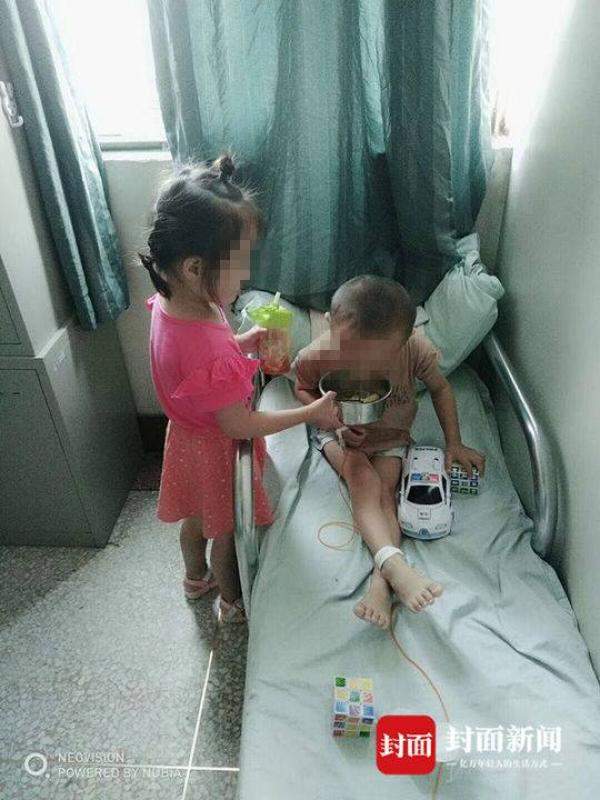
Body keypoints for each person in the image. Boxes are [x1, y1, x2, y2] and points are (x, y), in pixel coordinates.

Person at [142, 153, 340, 622]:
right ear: (194, 268)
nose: (245, 276)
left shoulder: (174, 305)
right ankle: (232, 604)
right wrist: (309, 413)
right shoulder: (204, 324)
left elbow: (193, 365)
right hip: (215, 448)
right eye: (239, 265)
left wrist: (242, 343)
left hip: (184, 437)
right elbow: (240, 424)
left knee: (195, 520)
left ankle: (194, 580)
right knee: (226, 530)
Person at [293, 275, 486, 628]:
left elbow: (441, 389)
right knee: (362, 481)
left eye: (376, 359)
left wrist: (454, 443)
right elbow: (302, 389)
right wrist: (329, 418)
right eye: (350, 352)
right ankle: (395, 568)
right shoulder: (319, 353)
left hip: (390, 436)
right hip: (338, 433)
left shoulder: (416, 349)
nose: (362, 366)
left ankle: (381, 583)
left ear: (404, 340)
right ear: (331, 326)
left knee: (386, 492)